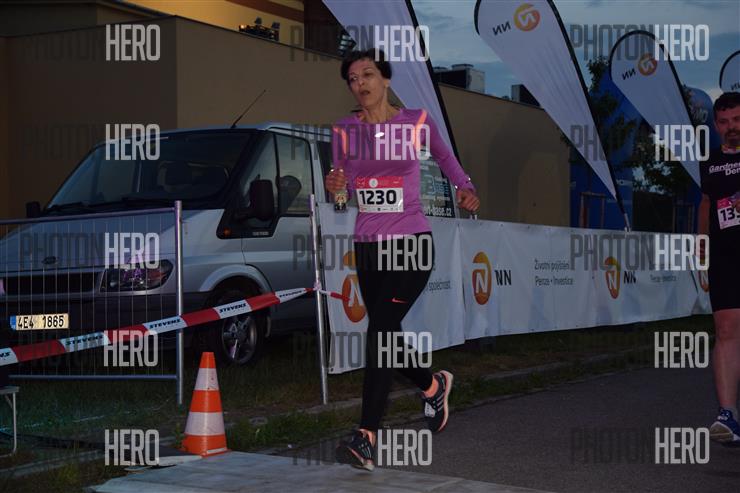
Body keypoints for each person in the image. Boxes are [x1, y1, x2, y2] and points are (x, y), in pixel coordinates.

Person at [325, 49, 480, 471]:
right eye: (353, 78)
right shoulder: (343, 131)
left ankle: (366, 437)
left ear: (386, 79)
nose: (360, 83)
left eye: (368, 74)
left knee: (379, 332)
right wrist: (336, 187)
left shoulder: (416, 122)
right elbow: (341, 195)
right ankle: (433, 386)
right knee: (386, 336)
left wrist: (465, 187)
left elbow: (445, 158)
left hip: (411, 243)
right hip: (368, 246)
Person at [698, 91, 740, 446]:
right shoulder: (709, 162)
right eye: (724, 122)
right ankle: (727, 415)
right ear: (716, 125)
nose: (731, 127)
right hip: (724, 257)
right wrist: (700, 241)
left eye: (737, 120)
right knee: (726, 329)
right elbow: (707, 203)